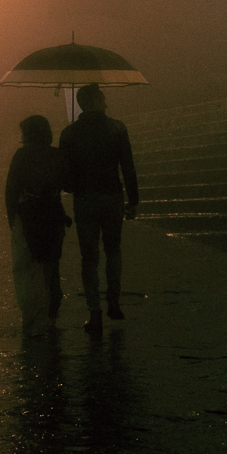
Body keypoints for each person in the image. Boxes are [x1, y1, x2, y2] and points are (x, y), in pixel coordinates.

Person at [59, 83, 138, 336]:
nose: (106, 102)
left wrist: (74, 185)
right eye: (102, 98)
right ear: (94, 100)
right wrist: (133, 200)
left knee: (89, 257)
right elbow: (127, 166)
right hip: (112, 196)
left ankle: (94, 312)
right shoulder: (117, 128)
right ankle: (113, 301)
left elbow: (65, 175)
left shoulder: (69, 133)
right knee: (113, 250)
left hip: (85, 199)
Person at [5, 114, 68, 337]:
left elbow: (11, 191)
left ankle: (33, 317)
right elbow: (67, 184)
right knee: (51, 266)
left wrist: (13, 221)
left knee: (28, 268)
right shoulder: (56, 155)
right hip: (53, 216)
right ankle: (50, 314)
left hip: (28, 217)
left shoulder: (22, 156)